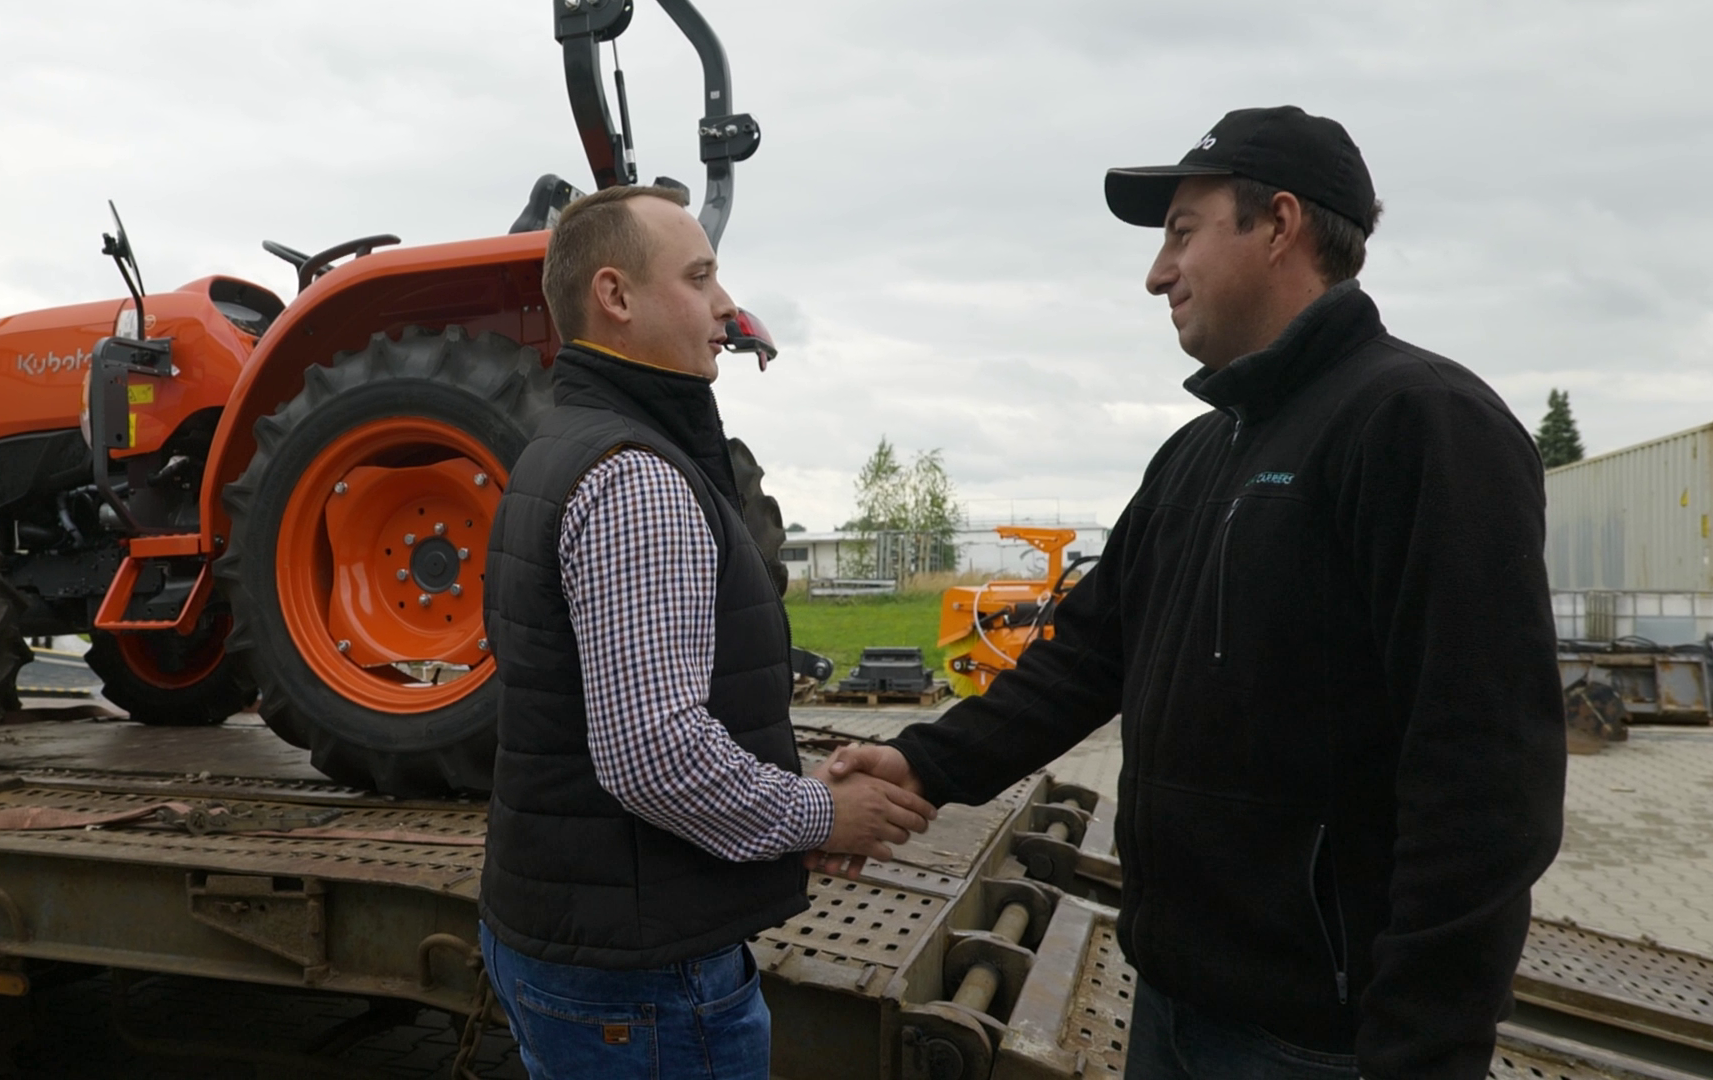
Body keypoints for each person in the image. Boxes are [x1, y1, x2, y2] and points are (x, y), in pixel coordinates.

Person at [822, 106, 1567, 1079]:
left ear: (1281, 224)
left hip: (1318, 1042)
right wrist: (921, 764)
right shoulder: (1197, 454)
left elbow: (1486, 775)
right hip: (1172, 1009)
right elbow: (1088, 659)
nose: (1156, 272)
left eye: (1182, 232)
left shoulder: (1421, 426)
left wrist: (1426, 1047)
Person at [478, 183, 937, 1080]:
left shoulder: (570, 446)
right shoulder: (638, 480)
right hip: (643, 976)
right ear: (615, 296)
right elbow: (653, 753)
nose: (726, 305)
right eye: (701, 276)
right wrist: (821, 814)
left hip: (592, 943)